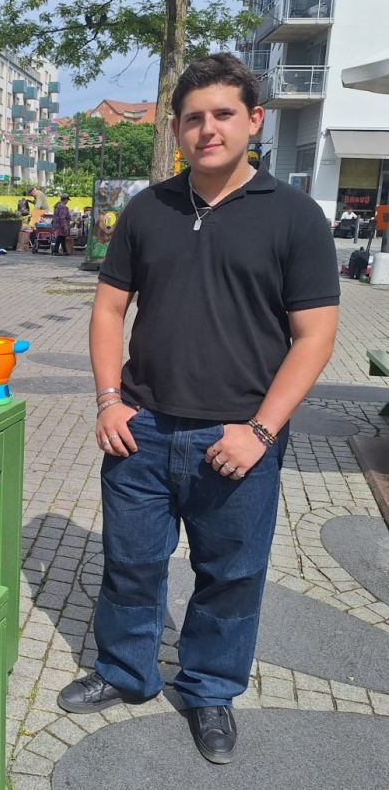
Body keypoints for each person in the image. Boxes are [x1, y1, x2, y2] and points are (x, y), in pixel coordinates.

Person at [58, 53, 339, 766]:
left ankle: (209, 688)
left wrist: (260, 430)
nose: (206, 129)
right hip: (142, 430)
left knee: (230, 574)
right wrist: (107, 400)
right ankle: (126, 672)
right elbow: (108, 307)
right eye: (193, 118)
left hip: (238, 436)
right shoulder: (148, 209)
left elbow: (315, 336)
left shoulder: (295, 217)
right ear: (176, 128)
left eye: (221, 114)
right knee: (131, 563)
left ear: (254, 120)